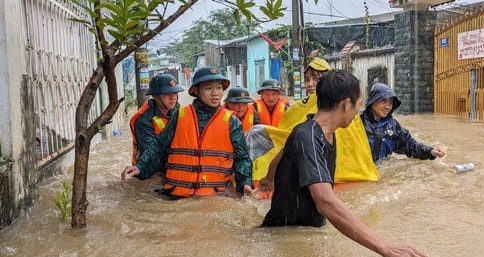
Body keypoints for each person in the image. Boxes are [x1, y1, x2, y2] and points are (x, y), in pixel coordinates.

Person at [261, 70, 431, 257]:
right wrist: (384, 247)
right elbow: (325, 202)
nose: (357, 113)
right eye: (358, 105)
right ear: (346, 104)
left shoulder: (317, 131)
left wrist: (267, 180)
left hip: (306, 232)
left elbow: (283, 151)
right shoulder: (308, 137)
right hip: (286, 239)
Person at [251, 57, 377, 192]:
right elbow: (323, 200)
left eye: (316, 79)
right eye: (307, 79)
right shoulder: (304, 123)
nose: (310, 84)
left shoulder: (342, 114)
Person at [158, 66, 253, 198]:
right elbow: (159, 150)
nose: (215, 93)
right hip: (176, 194)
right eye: (209, 88)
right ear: (196, 91)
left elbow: (242, 158)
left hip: (216, 195)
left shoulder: (232, 121)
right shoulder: (180, 115)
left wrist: (245, 183)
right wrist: (140, 168)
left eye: (219, 88)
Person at [361, 82, 445, 163]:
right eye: (384, 101)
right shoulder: (358, 122)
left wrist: (430, 151)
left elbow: (409, 145)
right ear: (373, 100)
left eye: (390, 103)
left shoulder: (393, 126)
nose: (388, 107)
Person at [122, 73, 183, 180]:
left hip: (171, 163)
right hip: (149, 167)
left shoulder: (176, 109)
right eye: (166, 94)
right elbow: (152, 149)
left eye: (175, 93)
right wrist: (140, 167)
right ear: (155, 96)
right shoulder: (143, 120)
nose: (173, 97)